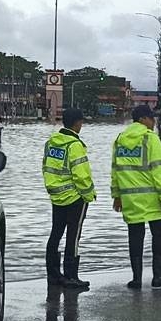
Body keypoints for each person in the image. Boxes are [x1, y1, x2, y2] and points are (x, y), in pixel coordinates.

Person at [111, 104, 161, 289]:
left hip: (130, 199)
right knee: (159, 236)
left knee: (135, 237)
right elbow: (158, 171)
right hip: (153, 199)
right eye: (151, 118)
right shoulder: (150, 139)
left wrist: (117, 195)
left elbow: (115, 170)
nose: (154, 122)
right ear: (143, 119)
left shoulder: (120, 140)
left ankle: (136, 279)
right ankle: (158, 277)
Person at [42, 108, 95, 289]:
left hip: (56, 195)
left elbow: (46, 168)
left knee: (56, 233)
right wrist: (89, 195)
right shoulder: (74, 145)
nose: (82, 125)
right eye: (81, 122)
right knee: (73, 236)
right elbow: (81, 175)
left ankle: (53, 274)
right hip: (74, 198)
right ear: (76, 123)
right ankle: (71, 276)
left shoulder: (51, 142)